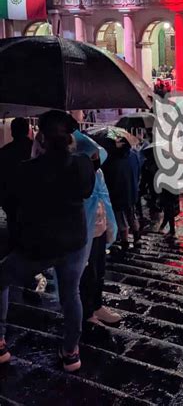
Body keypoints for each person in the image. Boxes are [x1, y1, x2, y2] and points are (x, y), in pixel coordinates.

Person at [0, 110, 95, 372]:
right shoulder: (82, 165)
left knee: (2, 279)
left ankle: (0, 343)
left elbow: (11, 201)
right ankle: (71, 352)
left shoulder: (26, 170)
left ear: (40, 136)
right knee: (70, 294)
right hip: (74, 243)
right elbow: (87, 189)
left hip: (36, 246)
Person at [73, 132, 120, 327]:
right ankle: (87, 312)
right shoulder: (76, 175)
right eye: (92, 156)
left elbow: (104, 200)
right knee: (87, 274)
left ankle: (97, 305)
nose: (96, 159)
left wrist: (110, 227)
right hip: (85, 234)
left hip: (99, 231)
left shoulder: (98, 174)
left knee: (99, 270)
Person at [102, 138, 141, 250]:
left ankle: (125, 242)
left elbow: (107, 177)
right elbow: (138, 172)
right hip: (132, 193)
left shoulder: (111, 159)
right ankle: (137, 238)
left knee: (121, 219)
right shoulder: (134, 156)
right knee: (132, 215)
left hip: (117, 194)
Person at [0, 118, 33, 251]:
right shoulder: (35, 149)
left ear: (13, 132)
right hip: (32, 195)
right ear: (27, 131)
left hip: (11, 196)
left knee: (13, 224)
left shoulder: (4, 151)